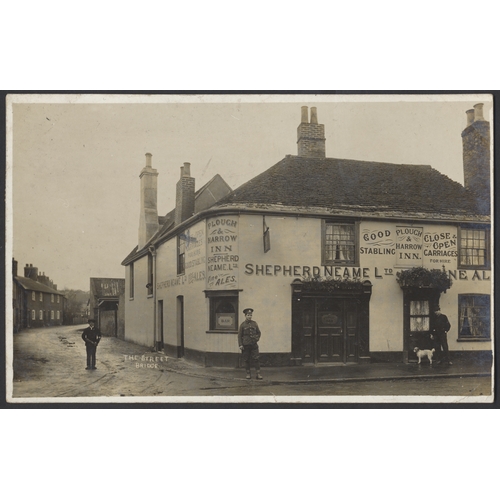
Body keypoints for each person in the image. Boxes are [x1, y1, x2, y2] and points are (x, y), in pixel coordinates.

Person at [238, 308, 263, 380]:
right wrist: (240, 345)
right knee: (246, 359)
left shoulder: (254, 323)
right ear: (245, 316)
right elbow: (239, 336)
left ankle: (258, 374)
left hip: (254, 344)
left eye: (250, 315)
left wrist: (256, 339)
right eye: (248, 315)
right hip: (246, 345)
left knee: (256, 359)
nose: (249, 316)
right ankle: (248, 374)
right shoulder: (242, 325)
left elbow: (259, 332)